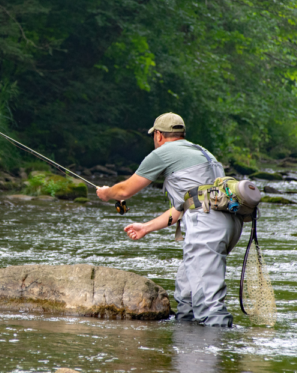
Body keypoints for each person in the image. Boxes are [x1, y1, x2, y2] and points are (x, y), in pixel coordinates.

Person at [96, 112, 243, 327]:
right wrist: (146, 228)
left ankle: (210, 353)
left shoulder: (164, 153)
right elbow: (185, 206)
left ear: (158, 135)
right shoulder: (204, 153)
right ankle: (187, 347)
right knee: (187, 295)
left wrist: (108, 193)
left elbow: (126, 190)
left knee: (208, 302)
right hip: (228, 223)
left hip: (206, 225)